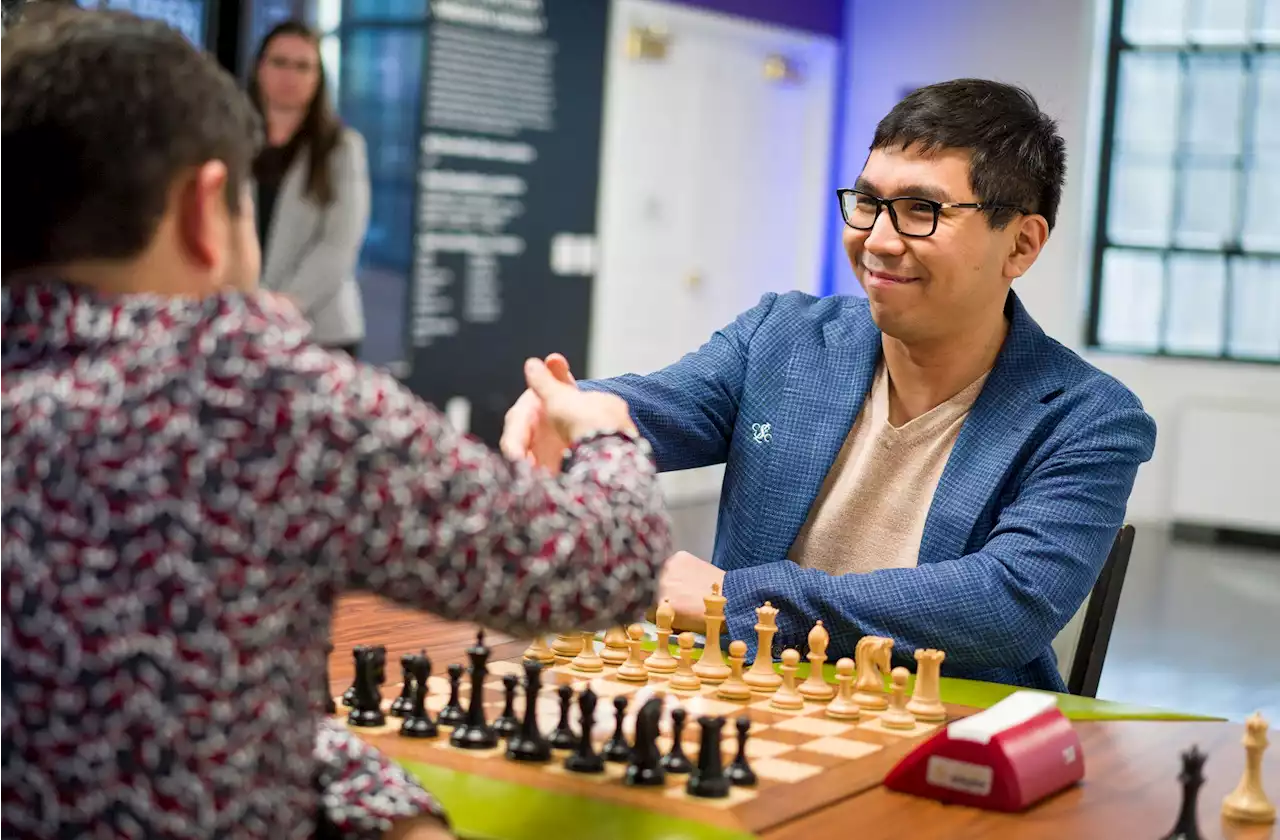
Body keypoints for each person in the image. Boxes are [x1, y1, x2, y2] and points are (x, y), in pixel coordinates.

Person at [0, 8, 670, 840]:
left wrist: (378, 802)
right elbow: (597, 570)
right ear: (206, 211)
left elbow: (155, 700)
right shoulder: (247, 387)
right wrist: (604, 433)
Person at [502, 79, 1158, 694]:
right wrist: (567, 407)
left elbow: (1004, 603)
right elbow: (659, 406)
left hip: (946, 738)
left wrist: (733, 601)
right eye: (869, 202)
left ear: (1020, 244)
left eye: (921, 211)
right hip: (751, 705)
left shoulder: (1087, 417)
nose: (876, 240)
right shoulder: (784, 336)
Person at [249, 19, 368, 358]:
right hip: (245, 323)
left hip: (320, 330)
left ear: (318, 78)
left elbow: (339, 243)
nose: (290, 75)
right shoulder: (233, 139)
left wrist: (285, 303)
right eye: (279, 62)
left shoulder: (341, 147)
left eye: (303, 66)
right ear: (259, 68)